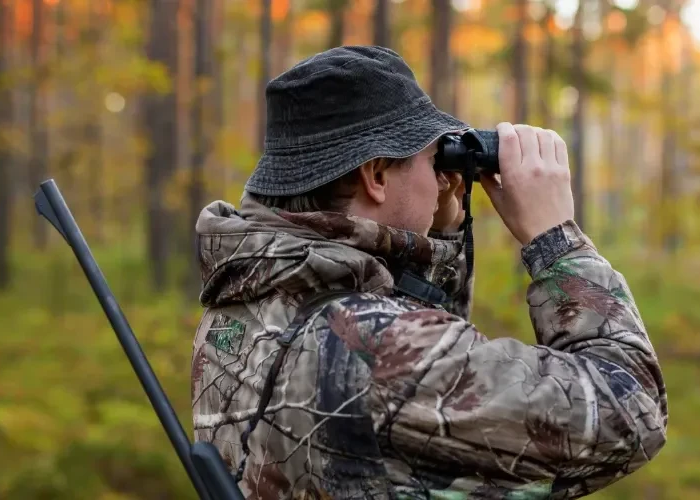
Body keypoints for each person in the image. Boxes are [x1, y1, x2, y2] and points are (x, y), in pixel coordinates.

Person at [190, 45, 667, 499]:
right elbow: (630, 411)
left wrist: (439, 232)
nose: (444, 177)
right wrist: (555, 241)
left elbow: (410, 428)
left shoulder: (247, 298)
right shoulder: (377, 348)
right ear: (375, 176)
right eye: (430, 157)